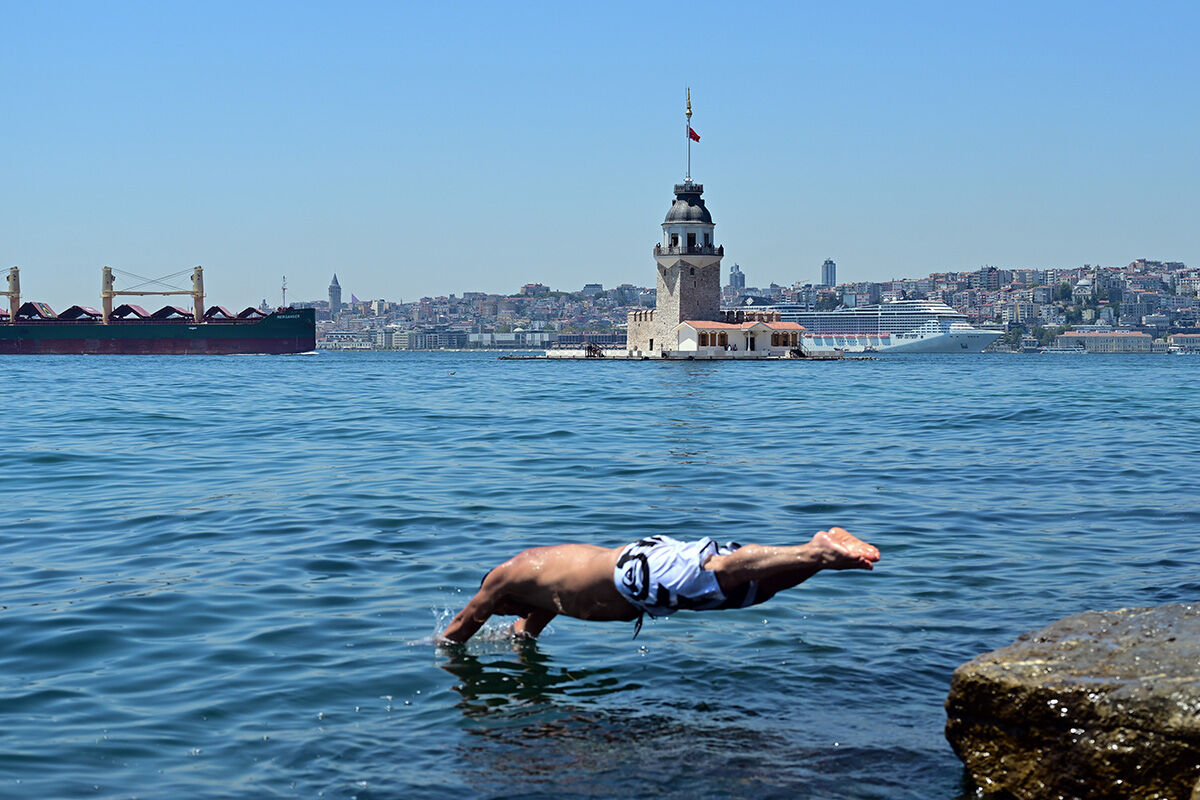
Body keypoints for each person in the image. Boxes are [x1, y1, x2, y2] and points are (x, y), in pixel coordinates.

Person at [439, 527, 880, 644]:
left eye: (497, 609)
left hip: (633, 574)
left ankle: (814, 549)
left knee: (719, 570)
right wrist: (514, 642)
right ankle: (827, 559)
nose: (499, 613)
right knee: (748, 592)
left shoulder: (504, 575)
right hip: (644, 583)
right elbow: (524, 634)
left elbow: (461, 625)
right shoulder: (542, 598)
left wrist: (434, 648)